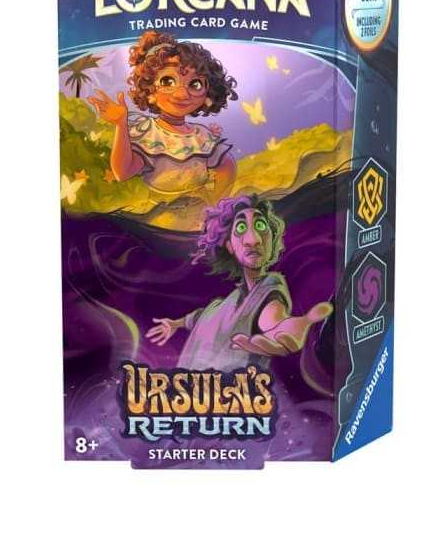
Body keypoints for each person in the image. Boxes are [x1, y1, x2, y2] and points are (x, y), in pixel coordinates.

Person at [145, 195, 333, 372]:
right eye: (241, 228)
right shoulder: (222, 306)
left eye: (260, 225)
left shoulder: (269, 288)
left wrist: (282, 330)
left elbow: (270, 315)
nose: (253, 240)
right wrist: (175, 323)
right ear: (230, 246)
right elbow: (200, 316)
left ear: (272, 238)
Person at [88, 31, 237, 202]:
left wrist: (216, 203)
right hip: (161, 211)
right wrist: (121, 124)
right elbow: (123, 172)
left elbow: (227, 166)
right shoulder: (149, 134)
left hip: (201, 208)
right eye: (167, 81)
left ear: (208, 94)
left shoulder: (201, 136)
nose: (182, 94)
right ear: (149, 87)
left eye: (195, 84)